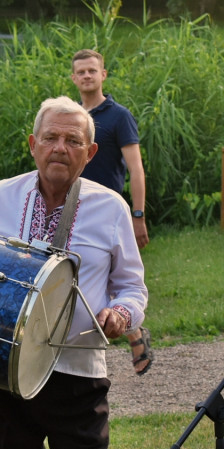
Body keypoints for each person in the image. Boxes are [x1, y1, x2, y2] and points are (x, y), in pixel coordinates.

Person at [0, 96, 148, 449]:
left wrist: (121, 315)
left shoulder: (111, 207)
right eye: (50, 138)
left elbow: (132, 288)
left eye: (73, 141)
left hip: (77, 377)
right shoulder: (0, 197)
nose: (60, 148)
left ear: (91, 153)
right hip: (6, 375)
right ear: (33, 144)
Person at [71, 48, 154, 375]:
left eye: (92, 70)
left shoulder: (119, 116)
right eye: (81, 71)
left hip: (109, 213)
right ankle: (129, 333)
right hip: (71, 210)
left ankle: (132, 330)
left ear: (103, 74)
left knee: (115, 276)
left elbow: (136, 169)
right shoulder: (72, 117)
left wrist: (138, 215)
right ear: (73, 78)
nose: (87, 76)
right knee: (82, 276)